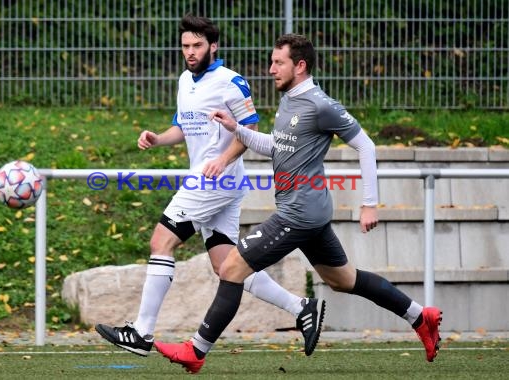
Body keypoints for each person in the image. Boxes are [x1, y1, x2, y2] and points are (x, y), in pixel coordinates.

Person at [154, 34, 443, 374]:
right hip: (310, 212)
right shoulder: (290, 99)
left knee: (231, 268)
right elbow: (276, 146)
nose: (270, 69)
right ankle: (419, 316)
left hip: (299, 213)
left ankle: (196, 350)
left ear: (300, 66)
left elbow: (366, 146)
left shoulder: (321, 105)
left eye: (279, 63)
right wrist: (237, 129)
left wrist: (369, 204)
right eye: (272, 62)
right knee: (343, 279)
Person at [95, 17, 325, 358]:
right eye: (186, 45)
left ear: (212, 46)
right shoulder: (185, 80)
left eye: (197, 45)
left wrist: (224, 160)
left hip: (214, 181)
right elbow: (182, 128)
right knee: (227, 265)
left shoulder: (230, 81)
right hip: (213, 182)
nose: (190, 52)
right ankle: (300, 307)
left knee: (161, 241)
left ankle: (141, 333)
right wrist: (158, 139)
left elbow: (249, 128)